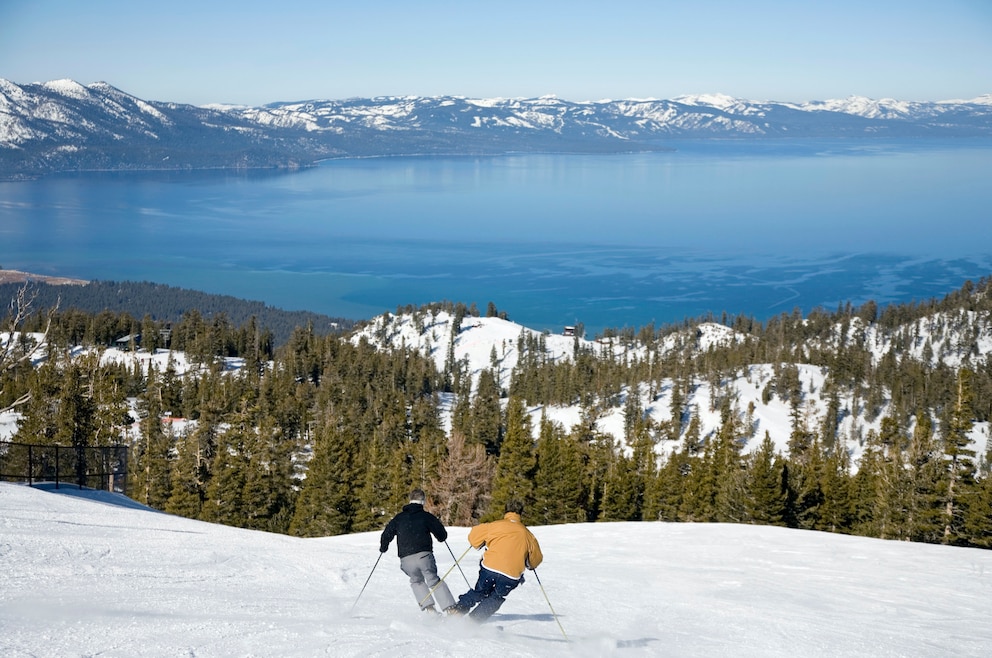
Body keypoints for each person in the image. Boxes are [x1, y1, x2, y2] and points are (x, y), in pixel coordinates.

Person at [449, 499, 543, 622]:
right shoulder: (528, 535)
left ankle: (459, 609)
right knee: (496, 597)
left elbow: (474, 537)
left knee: (480, 591)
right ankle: (473, 622)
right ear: (521, 513)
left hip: (490, 568)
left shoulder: (494, 526)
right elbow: (536, 560)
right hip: (511, 575)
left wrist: (480, 543)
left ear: (506, 511)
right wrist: (530, 564)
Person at [379, 488, 457, 614]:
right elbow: (442, 535)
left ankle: (429, 610)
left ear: (410, 500)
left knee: (416, 581)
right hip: (423, 556)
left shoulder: (399, 518)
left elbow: (386, 534)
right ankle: (451, 609)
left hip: (406, 559)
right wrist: (440, 537)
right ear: (423, 501)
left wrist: (384, 547)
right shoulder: (426, 517)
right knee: (433, 580)